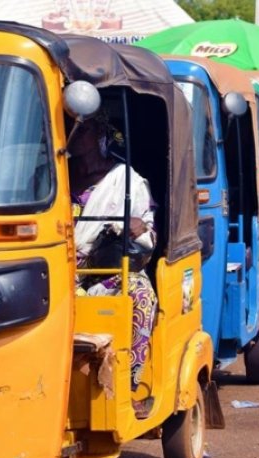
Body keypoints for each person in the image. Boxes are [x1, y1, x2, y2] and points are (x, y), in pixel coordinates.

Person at [67, 114, 157, 418]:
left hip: (105, 267)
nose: (76, 135)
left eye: (85, 128)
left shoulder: (125, 180)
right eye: (72, 128)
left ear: (100, 134)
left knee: (142, 295)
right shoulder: (53, 176)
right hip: (60, 265)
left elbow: (149, 236)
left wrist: (140, 226)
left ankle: (130, 384)